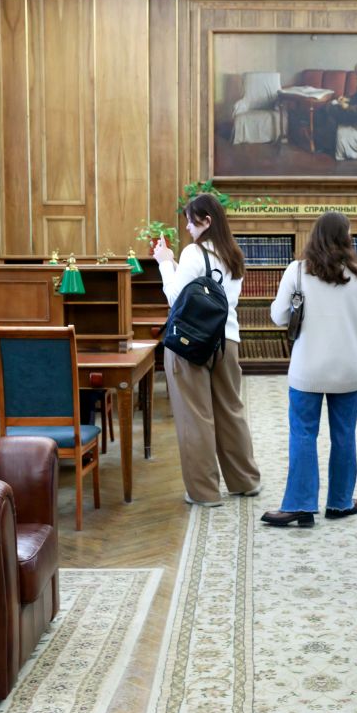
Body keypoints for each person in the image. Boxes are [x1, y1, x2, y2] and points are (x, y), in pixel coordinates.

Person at [260, 212, 357, 527]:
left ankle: (300, 504)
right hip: (347, 370)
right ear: (346, 238)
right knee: (344, 436)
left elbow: (279, 316)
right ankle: (340, 502)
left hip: (307, 369)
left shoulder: (297, 272)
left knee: (303, 433)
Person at [153, 194, 262, 506]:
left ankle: (204, 492)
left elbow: (176, 297)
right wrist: (175, 264)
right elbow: (217, 293)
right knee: (230, 410)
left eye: (191, 221)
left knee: (195, 415)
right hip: (227, 340)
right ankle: (245, 481)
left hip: (190, 342)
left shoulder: (193, 252)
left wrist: (164, 264)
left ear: (207, 221)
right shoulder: (233, 254)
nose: (188, 227)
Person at [315, 60, 357, 154]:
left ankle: (327, 146)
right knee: (328, 107)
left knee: (330, 109)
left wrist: (347, 107)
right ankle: (326, 143)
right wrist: (347, 99)